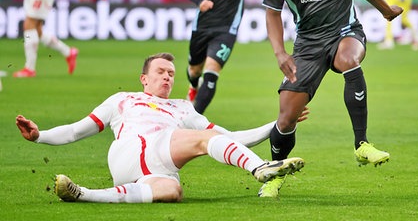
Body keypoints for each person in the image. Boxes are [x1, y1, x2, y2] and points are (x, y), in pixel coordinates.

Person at [15, 52, 305, 203]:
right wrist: (40, 136)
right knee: (205, 138)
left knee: (171, 192)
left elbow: (230, 139)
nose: (167, 78)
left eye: (171, 74)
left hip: (157, 170)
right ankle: (259, 169)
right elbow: (78, 130)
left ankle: (84, 194)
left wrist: (279, 124)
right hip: (130, 150)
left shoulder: (183, 107)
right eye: (160, 72)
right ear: (144, 78)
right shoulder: (123, 99)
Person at [260, 0, 403, 198]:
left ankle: (361, 145)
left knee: (348, 60)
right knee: (287, 119)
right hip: (308, 45)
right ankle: (274, 173)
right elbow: (273, 13)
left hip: (345, 31)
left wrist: (385, 9)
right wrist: (280, 53)